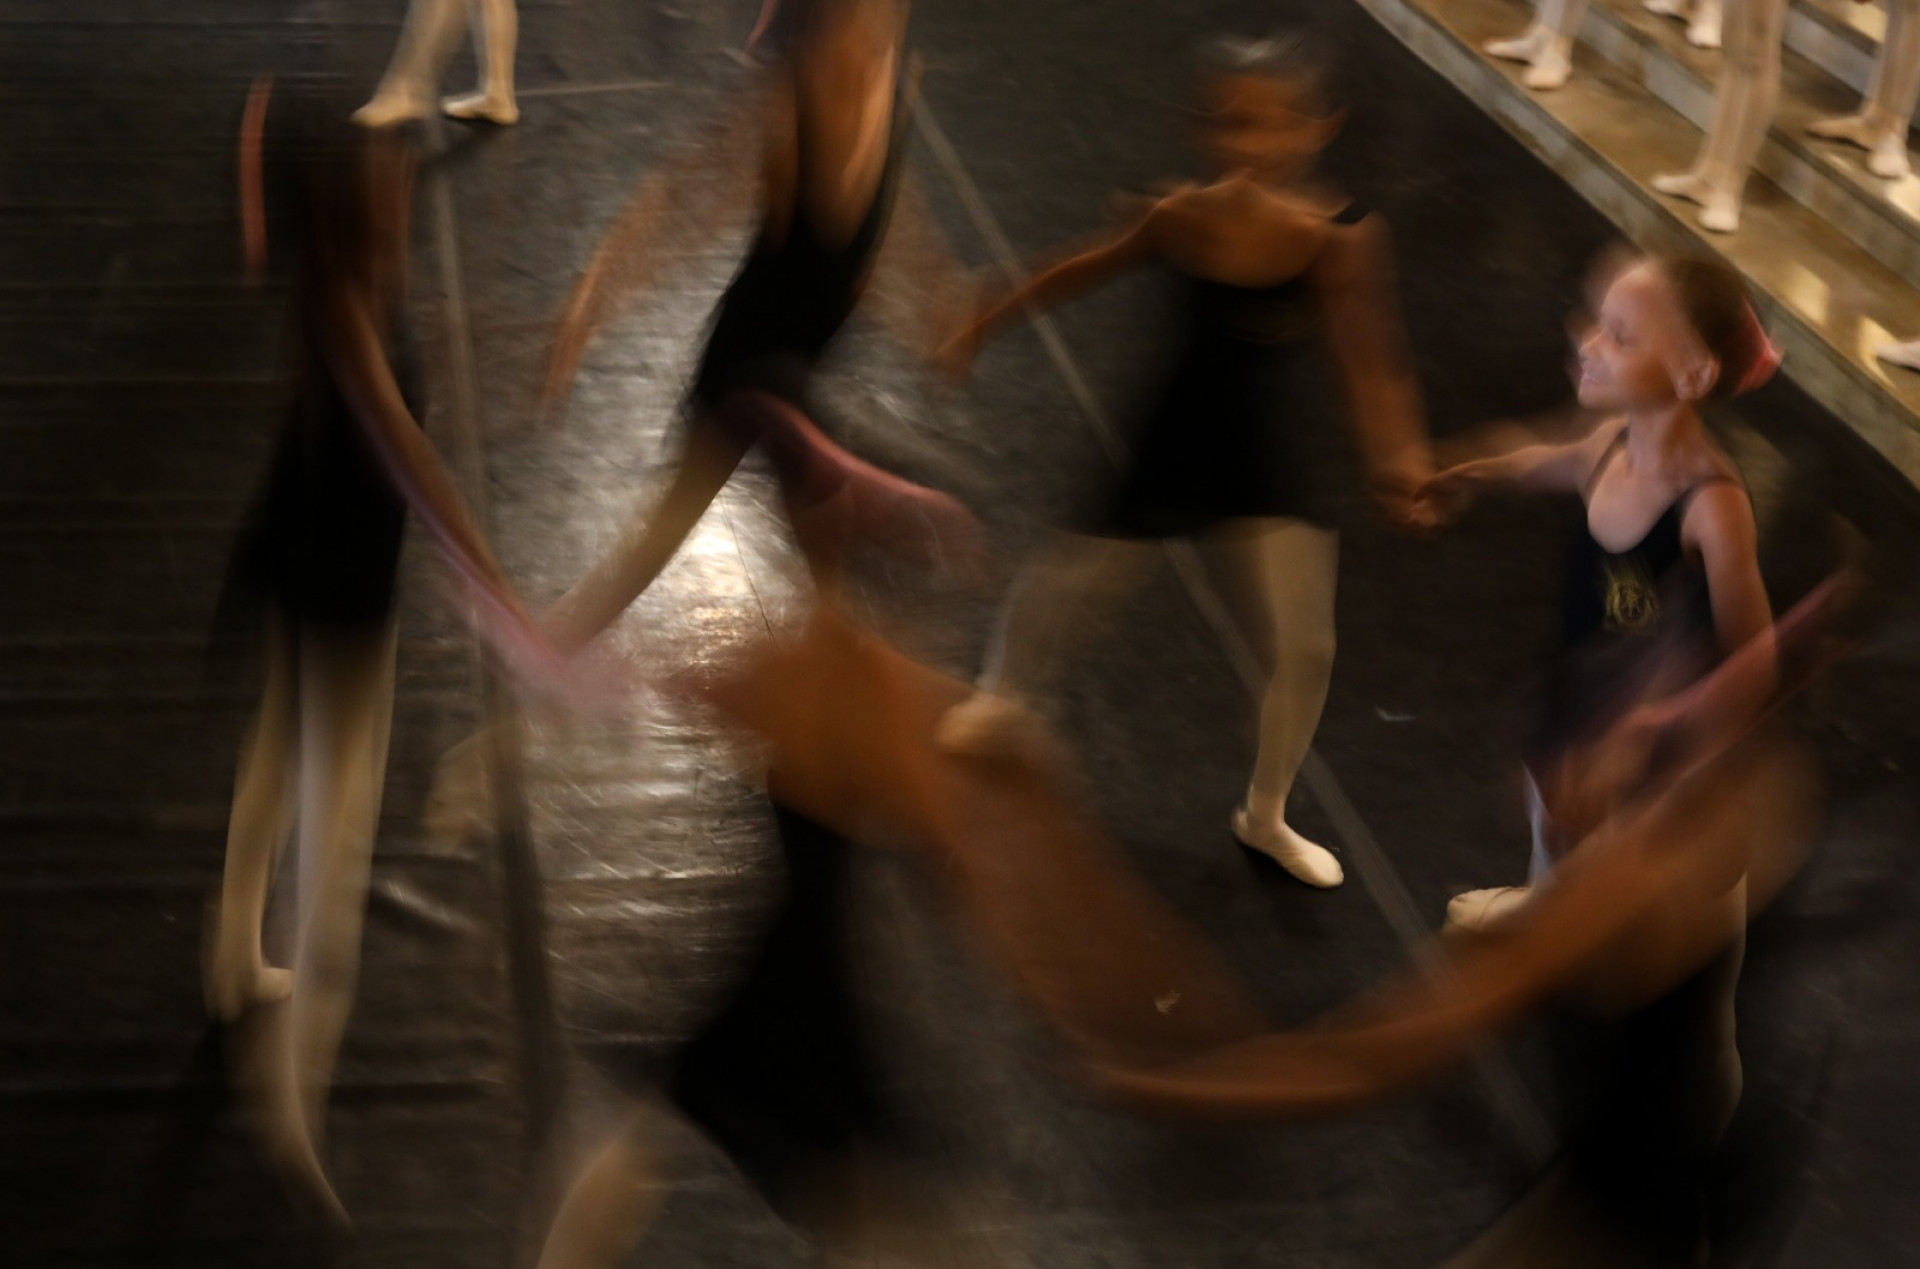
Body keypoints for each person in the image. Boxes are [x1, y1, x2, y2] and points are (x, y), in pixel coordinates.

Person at [934, 35, 1432, 889]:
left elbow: (1372, 363)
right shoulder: (1185, 216)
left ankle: (1265, 812)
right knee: (1070, 584)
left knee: (1306, 645)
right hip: (1170, 435)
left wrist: (1402, 462)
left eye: (1270, 127)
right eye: (1232, 125)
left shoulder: (1338, 239)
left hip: (1265, 459)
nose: (1249, 145)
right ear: (1208, 131)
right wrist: (987, 311)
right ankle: (1006, 693)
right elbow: (1077, 269)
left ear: (1321, 128)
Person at [207, 85, 559, 1221]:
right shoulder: (348, 307)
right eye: (393, 190)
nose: (410, 201)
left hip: (301, 559)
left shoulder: (345, 289)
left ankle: (225, 960)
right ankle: (289, 1085)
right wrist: (499, 590)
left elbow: (392, 421)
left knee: (274, 764)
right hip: (339, 595)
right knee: (340, 833)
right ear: (355, 212)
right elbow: (410, 456)